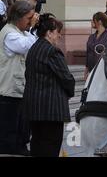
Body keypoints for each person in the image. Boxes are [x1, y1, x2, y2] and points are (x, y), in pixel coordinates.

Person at [23, 13, 75, 157]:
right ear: (49, 33)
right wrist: (69, 92)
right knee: (50, 147)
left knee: (37, 144)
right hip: (51, 109)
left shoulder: (34, 48)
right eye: (58, 32)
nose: (60, 36)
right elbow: (67, 78)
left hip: (34, 108)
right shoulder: (52, 51)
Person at [0, 0, 39, 155]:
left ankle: (19, 148)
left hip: (17, 89)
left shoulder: (19, 31)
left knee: (21, 126)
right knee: (10, 127)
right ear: (18, 17)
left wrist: (31, 28)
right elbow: (26, 45)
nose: (30, 21)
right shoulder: (9, 33)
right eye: (28, 18)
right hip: (8, 90)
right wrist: (33, 28)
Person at [84, 12, 107, 80]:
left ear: (99, 22)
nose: (91, 22)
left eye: (93, 20)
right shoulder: (91, 37)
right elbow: (88, 53)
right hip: (91, 70)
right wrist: (86, 70)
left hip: (103, 71)